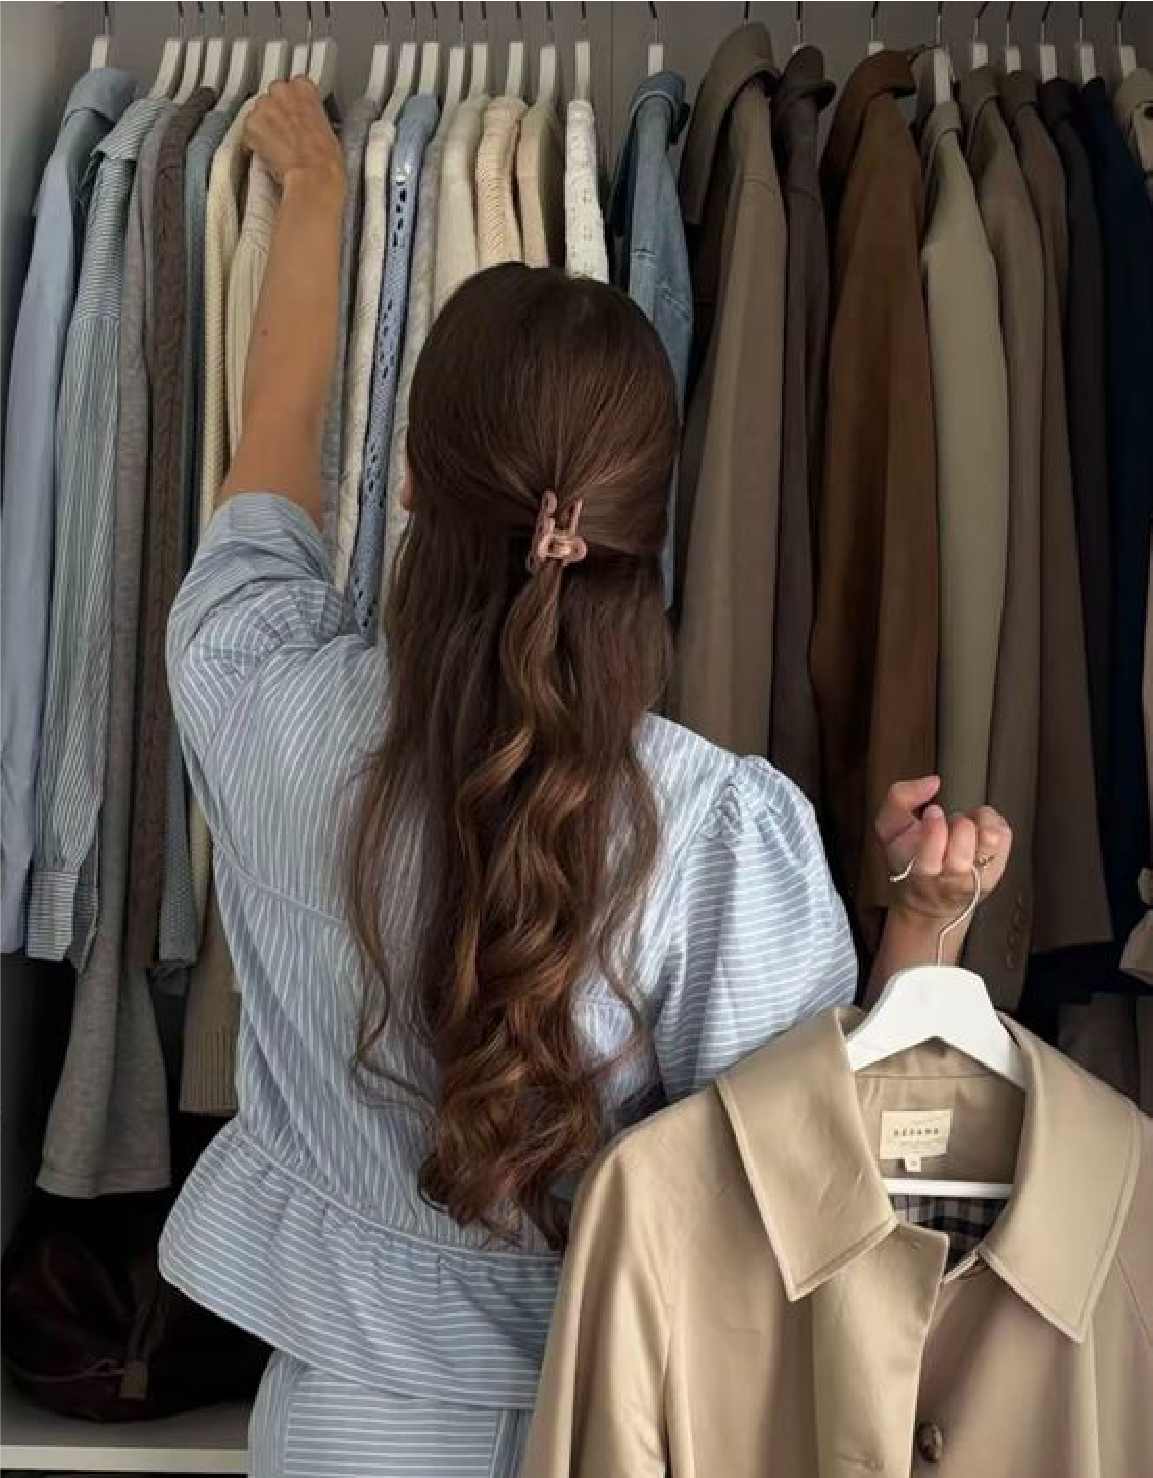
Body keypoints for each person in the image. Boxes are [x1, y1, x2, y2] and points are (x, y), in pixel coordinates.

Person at [160, 81, 1012, 1478]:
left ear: (416, 489)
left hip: (340, 1429)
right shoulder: (724, 834)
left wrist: (313, 200)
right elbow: (823, 1193)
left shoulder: (260, 696)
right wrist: (924, 929)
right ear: (647, 531)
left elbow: (272, 453)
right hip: (630, 1425)